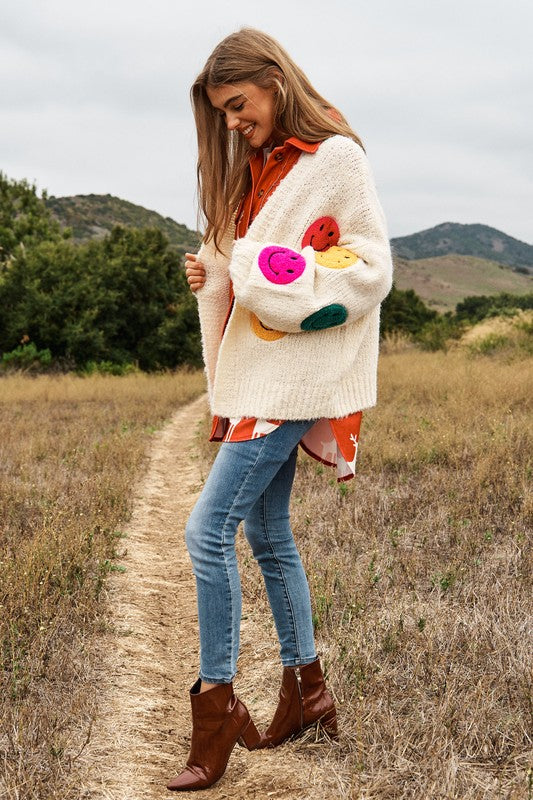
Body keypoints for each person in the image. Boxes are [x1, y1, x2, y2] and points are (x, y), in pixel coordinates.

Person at [167, 27, 393, 792]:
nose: (232, 123)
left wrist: (264, 271)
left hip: (292, 379)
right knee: (265, 531)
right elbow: (254, 263)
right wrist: (218, 271)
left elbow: (366, 267)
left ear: (272, 79)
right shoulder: (262, 166)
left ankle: (218, 706)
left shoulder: (335, 158)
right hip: (260, 375)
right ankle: (307, 690)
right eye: (222, 113)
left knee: (206, 531)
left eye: (239, 105)